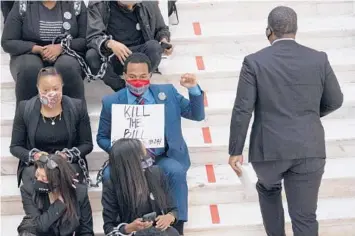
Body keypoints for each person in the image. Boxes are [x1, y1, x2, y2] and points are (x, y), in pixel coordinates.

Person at [228, 6, 343, 236]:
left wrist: (235, 150)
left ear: (268, 31)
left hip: (268, 150)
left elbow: (243, 109)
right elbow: (336, 100)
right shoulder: (318, 59)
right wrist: (308, 115)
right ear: (296, 29)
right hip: (309, 148)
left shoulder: (253, 62)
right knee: (305, 216)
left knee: (268, 189)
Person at [97, 53, 205, 235]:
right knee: (109, 175)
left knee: (176, 171)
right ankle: (123, 227)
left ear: (150, 75)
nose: (137, 81)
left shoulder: (168, 92)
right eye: (132, 77)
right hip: (127, 160)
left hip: (162, 155)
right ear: (124, 75)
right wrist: (124, 152)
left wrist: (193, 89)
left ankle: (177, 226)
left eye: (142, 76)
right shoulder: (111, 102)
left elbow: (197, 115)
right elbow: (102, 137)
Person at [10, 67, 93, 187]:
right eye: (45, 90)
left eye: (56, 89)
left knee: (67, 177)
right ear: (38, 88)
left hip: (67, 163)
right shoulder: (24, 108)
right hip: (37, 164)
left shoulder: (77, 107)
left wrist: (66, 156)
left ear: (62, 87)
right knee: (34, 177)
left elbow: (87, 144)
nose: (51, 93)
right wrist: (36, 156)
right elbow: (15, 147)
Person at [1, 0, 87, 103]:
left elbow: (85, 39)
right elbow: (8, 41)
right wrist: (36, 48)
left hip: (67, 52)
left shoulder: (76, 4)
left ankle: (75, 115)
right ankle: (26, 115)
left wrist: (61, 47)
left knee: (67, 67)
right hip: (29, 53)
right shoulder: (22, 4)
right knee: (29, 68)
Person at [86, 1, 172, 92]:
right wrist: (109, 43)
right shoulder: (99, 5)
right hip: (113, 55)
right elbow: (93, 36)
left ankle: (142, 81)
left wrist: (164, 40)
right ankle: (122, 88)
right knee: (92, 55)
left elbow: (161, 29)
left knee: (154, 47)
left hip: (139, 54)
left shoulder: (148, 3)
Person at [102, 139, 180, 236]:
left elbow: (174, 209)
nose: (147, 158)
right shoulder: (112, 184)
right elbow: (109, 228)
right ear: (130, 162)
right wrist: (129, 228)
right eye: (142, 156)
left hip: (158, 232)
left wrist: (170, 217)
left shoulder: (156, 173)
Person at [20, 154, 94, 235]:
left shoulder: (79, 192)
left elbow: (86, 230)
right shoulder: (28, 190)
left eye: (44, 178)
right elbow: (37, 226)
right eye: (37, 175)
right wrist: (59, 204)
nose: (38, 180)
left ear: (57, 180)